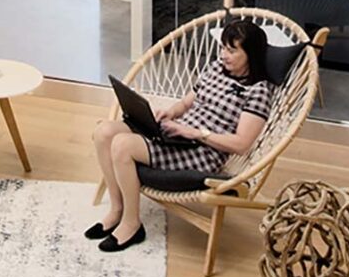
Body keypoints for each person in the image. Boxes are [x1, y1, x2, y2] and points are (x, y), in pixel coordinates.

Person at [88, 16, 274, 257]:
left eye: (231, 50)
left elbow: (241, 144)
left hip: (201, 151)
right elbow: (188, 101)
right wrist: (170, 112)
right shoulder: (218, 68)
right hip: (178, 134)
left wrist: (196, 133)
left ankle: (132, 224)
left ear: (251, 54)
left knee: (123, 145)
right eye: (222, 48)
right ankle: (117, 210)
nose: (224, 55)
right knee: (104, 132)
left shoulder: (258, 91)